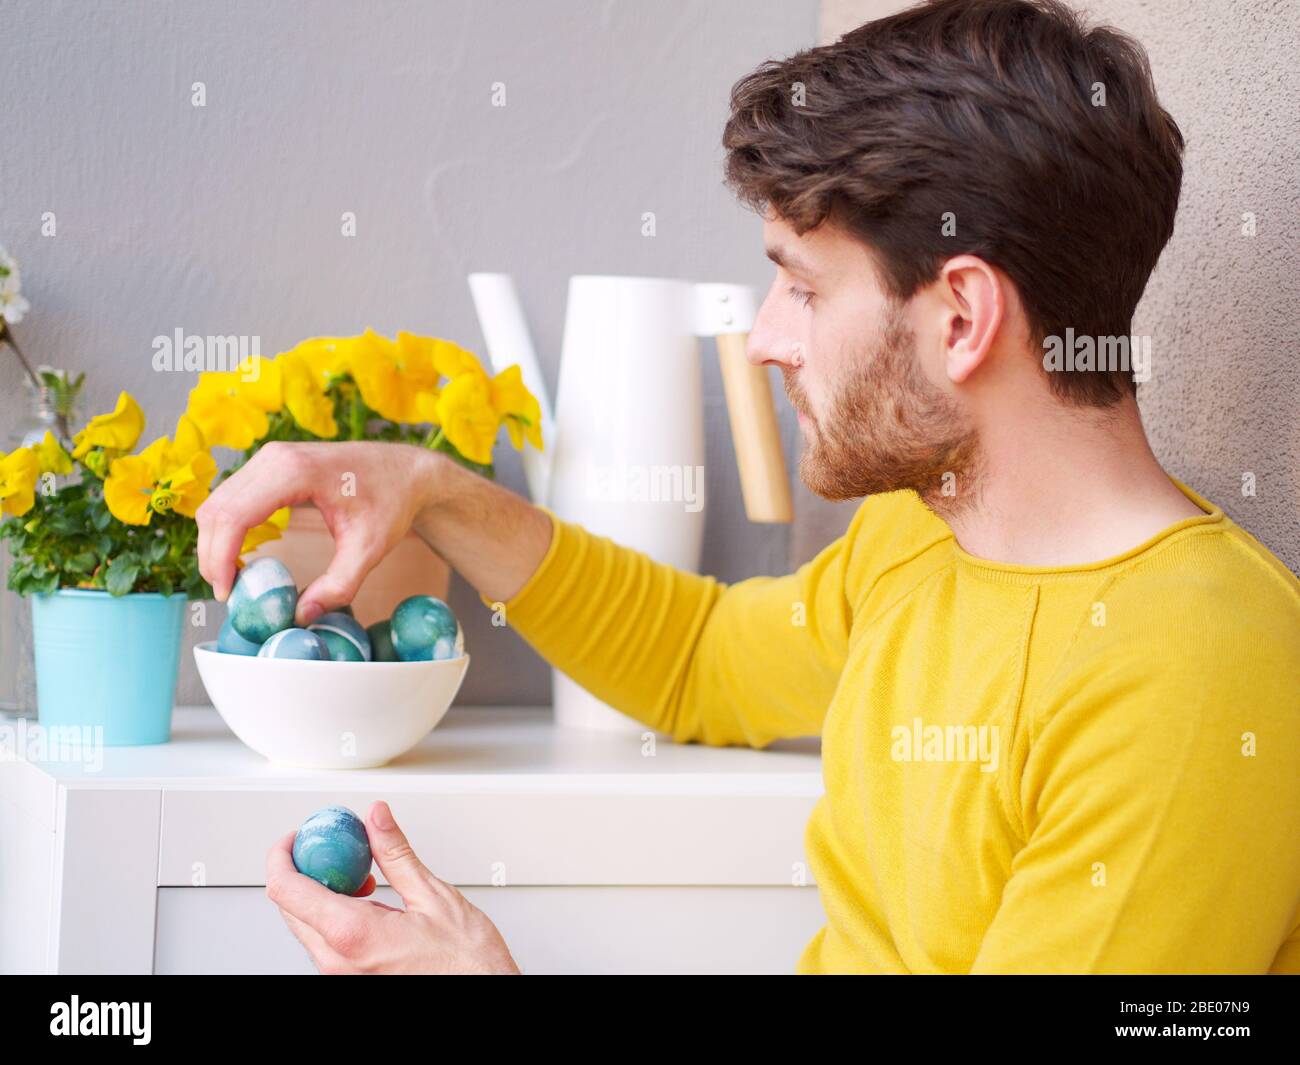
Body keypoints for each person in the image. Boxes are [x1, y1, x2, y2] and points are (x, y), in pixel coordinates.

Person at [198, 0, 1300, 974]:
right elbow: (700, 661)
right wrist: (431, 489)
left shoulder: (1192, 676)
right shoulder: (922, 536)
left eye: (804, 291)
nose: (764, 339)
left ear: (961, 317)